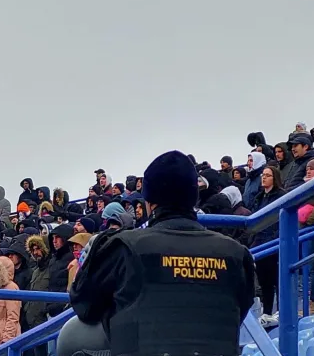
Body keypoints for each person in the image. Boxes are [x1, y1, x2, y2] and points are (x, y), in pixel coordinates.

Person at [59, 150, 255, 356]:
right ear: (194, 196)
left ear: (150, 202)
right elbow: (240, 310)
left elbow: (84, 306)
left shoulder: (123, 246)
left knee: (69, 337)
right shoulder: (237, 254)